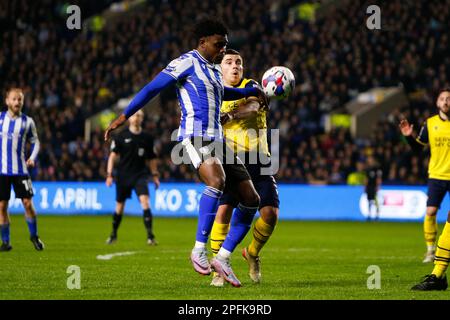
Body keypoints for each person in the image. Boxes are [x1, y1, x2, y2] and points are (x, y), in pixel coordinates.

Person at [104, 18, 268, 287]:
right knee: (217, 181)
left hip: (218, 140)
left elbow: (221, 92)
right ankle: (198, 250)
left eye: (225, 46)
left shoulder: (215, 71)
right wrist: (124, 116)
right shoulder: (186, 62)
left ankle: (223, 257)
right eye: (218, 45)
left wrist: (248, 89)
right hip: (194, 136)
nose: (222, 51)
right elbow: (152, 88)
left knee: (251, 199)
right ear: (202, 42)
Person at [209, 49, 279, 287]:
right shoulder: (215, 93)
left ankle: (252, 252)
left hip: (259, 158)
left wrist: (228, 116)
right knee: (223, 211)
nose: (235, 66)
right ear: (221, 69)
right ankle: (219, 267)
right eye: (229, 62)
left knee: (270, 215)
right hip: (231, 159)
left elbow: (253, 107)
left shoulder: (253, 86)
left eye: (239, 62)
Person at [400, 88, 450, 290]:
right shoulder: (430, 124)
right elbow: (419, 149)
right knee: (431, 212)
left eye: (449, 99)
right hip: (437, 175)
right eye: (443, 98)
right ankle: (431, 250)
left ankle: (438, 274)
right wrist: (409, 137)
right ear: (437, 103)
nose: (446, 101)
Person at [105, 110, 160, 245]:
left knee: (145, 202)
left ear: (142, 119)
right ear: (129, 119)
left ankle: (150, 236)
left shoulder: (147, 138)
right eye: (134, 115)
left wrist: (155, 175)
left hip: (140, 175)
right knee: (119, 207)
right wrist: (109, 175)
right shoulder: (120, 136)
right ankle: (113, 234)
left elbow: (152, 159)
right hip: (123, 176)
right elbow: (112, 157)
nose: (136, 118)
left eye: (139, 116)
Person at [0, 88, 44, 252]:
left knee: (27, 203)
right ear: (7, 101)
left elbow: (36, 142)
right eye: (14, 99)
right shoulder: (0, 119)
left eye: (19, 99)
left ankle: (34, 236)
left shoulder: (27, 121)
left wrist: (32, 157)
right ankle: (6, 242)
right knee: (2, 206)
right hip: (2, 171)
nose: (17, 102)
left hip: (21, 170)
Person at [364, 156, 382, 221]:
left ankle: (377, 215)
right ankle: (369, 214)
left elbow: (378, 178)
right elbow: (366, 179)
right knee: (369, 201)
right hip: (369, 186)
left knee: (376, 201)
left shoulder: (376, 169)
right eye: (368, 160)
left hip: (374, 186)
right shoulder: (367, 169)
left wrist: (378, 186)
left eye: (370, 159)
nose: (369, 161)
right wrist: (365, 187)